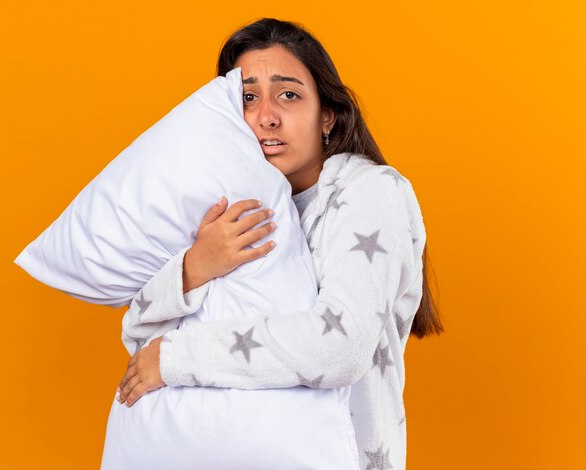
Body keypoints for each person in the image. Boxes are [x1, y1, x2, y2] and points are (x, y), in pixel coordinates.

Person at [115, 17, 443, 470]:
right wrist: (195, 266)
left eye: (288, 94)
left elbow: (340, 347)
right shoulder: (229, 206)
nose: (267, 114)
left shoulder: (369, 191)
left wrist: (177, 358)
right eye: (248, 97)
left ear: (326, 113)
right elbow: (137, 336)